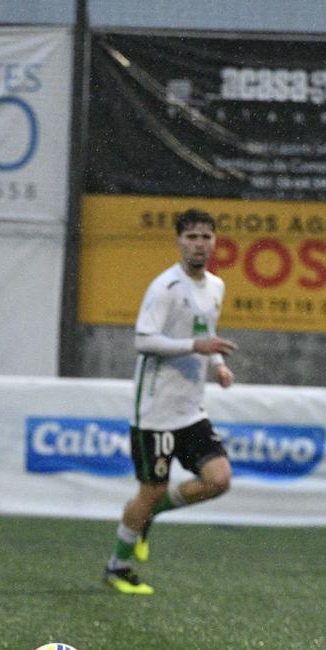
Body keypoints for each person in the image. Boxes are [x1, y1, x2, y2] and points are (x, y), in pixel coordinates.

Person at [104, 208, 237, 595]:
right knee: (151, 490)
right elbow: (143, 340)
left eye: (206, 237)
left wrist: (217, 362)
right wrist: (195, 347)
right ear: (179, 241)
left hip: (191, 410)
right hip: (155, 414)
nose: (199, 244)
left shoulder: (215, 286)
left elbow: (205, 330)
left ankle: (149, 517)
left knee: (219, 480)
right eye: (191, 236)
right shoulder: (165, 287)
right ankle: (117, 566)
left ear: (214, 242)